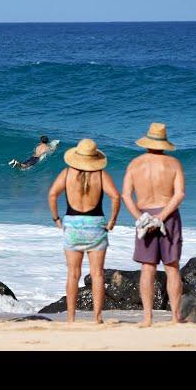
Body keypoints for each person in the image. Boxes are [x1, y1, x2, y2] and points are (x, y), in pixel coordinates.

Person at [48, 138, 121, 324]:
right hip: (96, 225)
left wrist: (56, 219)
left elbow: (52, 194)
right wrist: (112, 220)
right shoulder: (101, 174)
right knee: (97, 274)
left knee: (73, 274)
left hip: (72, 225)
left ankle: (71, 318)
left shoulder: (66, 174)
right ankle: (97, 318)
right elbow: (115, 196)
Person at [122, 123, 185, 327]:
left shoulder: (134, 164)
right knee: (172, 267)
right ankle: (176, 317)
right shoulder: (173, 163)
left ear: (147, 141)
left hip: (144, 215)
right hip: (169, 216)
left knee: (147, 268)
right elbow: (179, 194)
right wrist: (162, 217)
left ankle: (148, 318)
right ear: (164, 143)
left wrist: (141, 218)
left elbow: (126, 195)